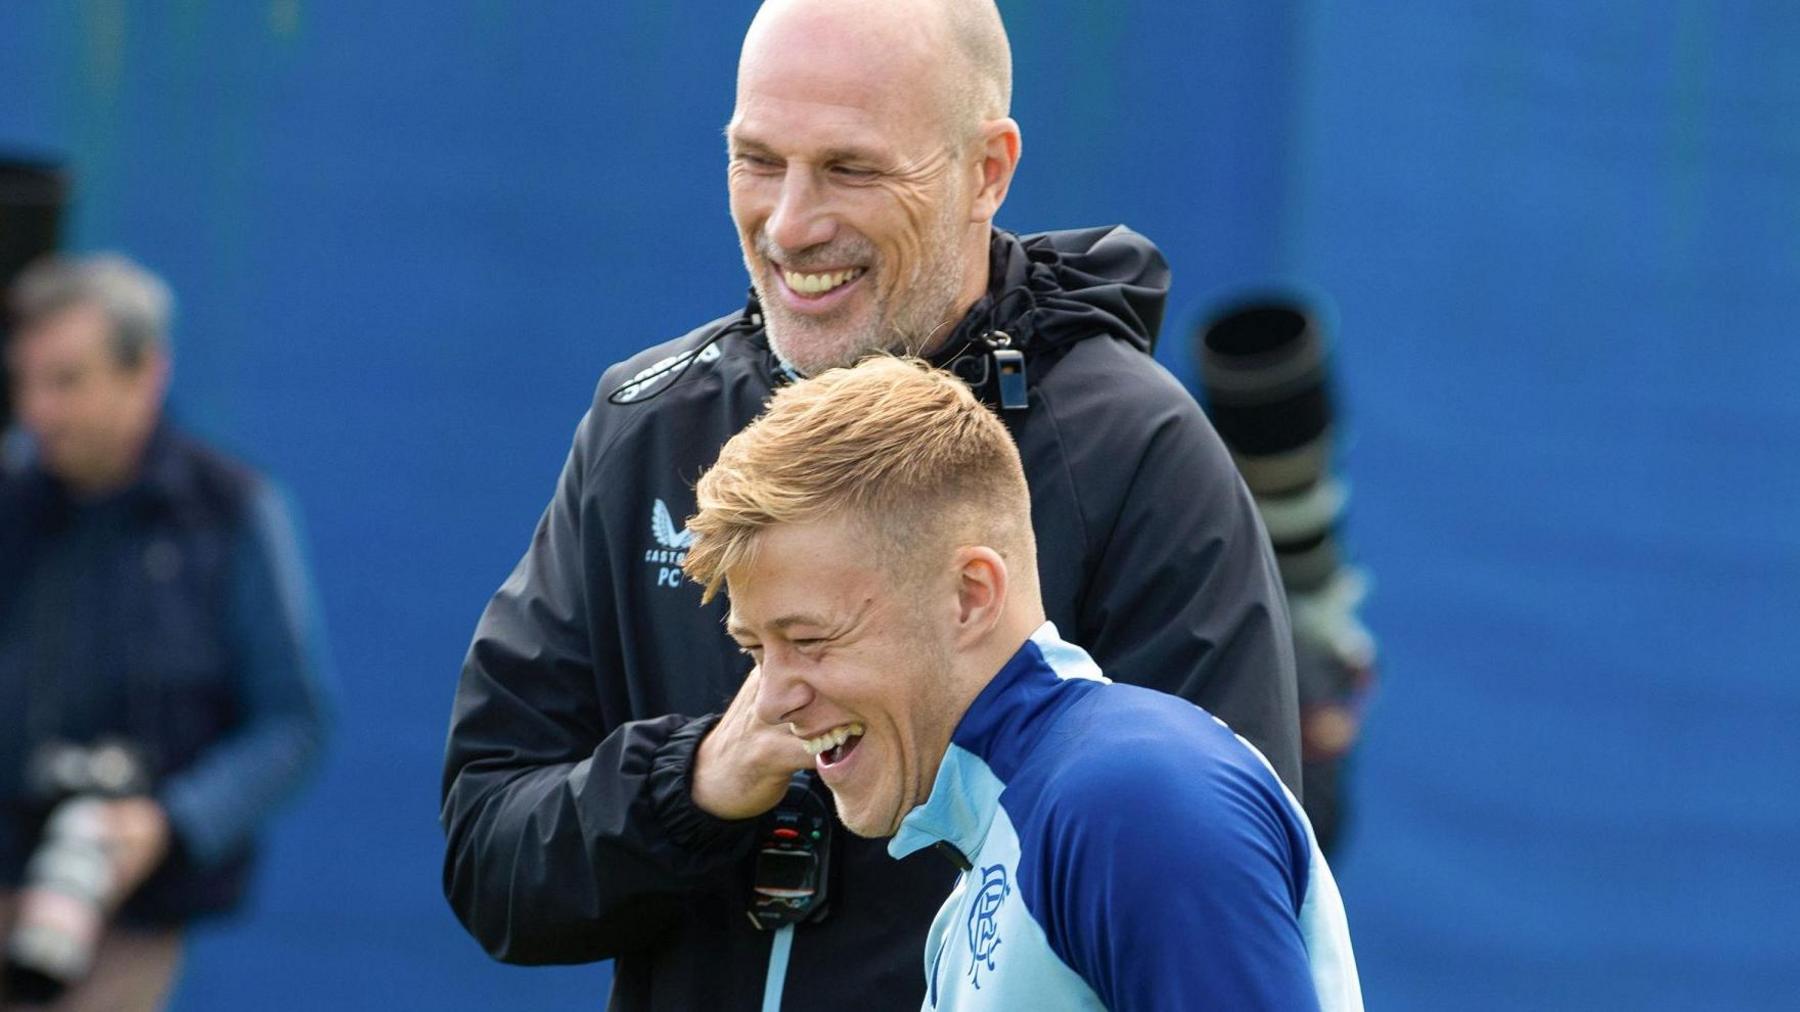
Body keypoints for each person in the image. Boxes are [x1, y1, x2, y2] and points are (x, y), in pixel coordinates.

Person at [440, 0, 1300, 1007]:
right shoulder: (647, 427)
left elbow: (1219, 875)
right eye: (757, 159)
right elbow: (489, 854)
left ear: (988, 170)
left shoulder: (1131, 453)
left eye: (850, 168)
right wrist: (701, 780)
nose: (792, 223)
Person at [684, 357, 1361, 1010]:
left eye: (809, 640)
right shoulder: (1018, 831)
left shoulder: (1129, 797)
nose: (772, 701)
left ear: (971, 596)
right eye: (755, 649)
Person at [0, 254, 332, 1011]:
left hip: (123, 927)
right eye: (24, 382)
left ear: (145, 371)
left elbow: (296, 721)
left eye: (66, 382)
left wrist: (168, 824)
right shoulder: (11, 501)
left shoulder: (232, 513)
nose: (37, 412)